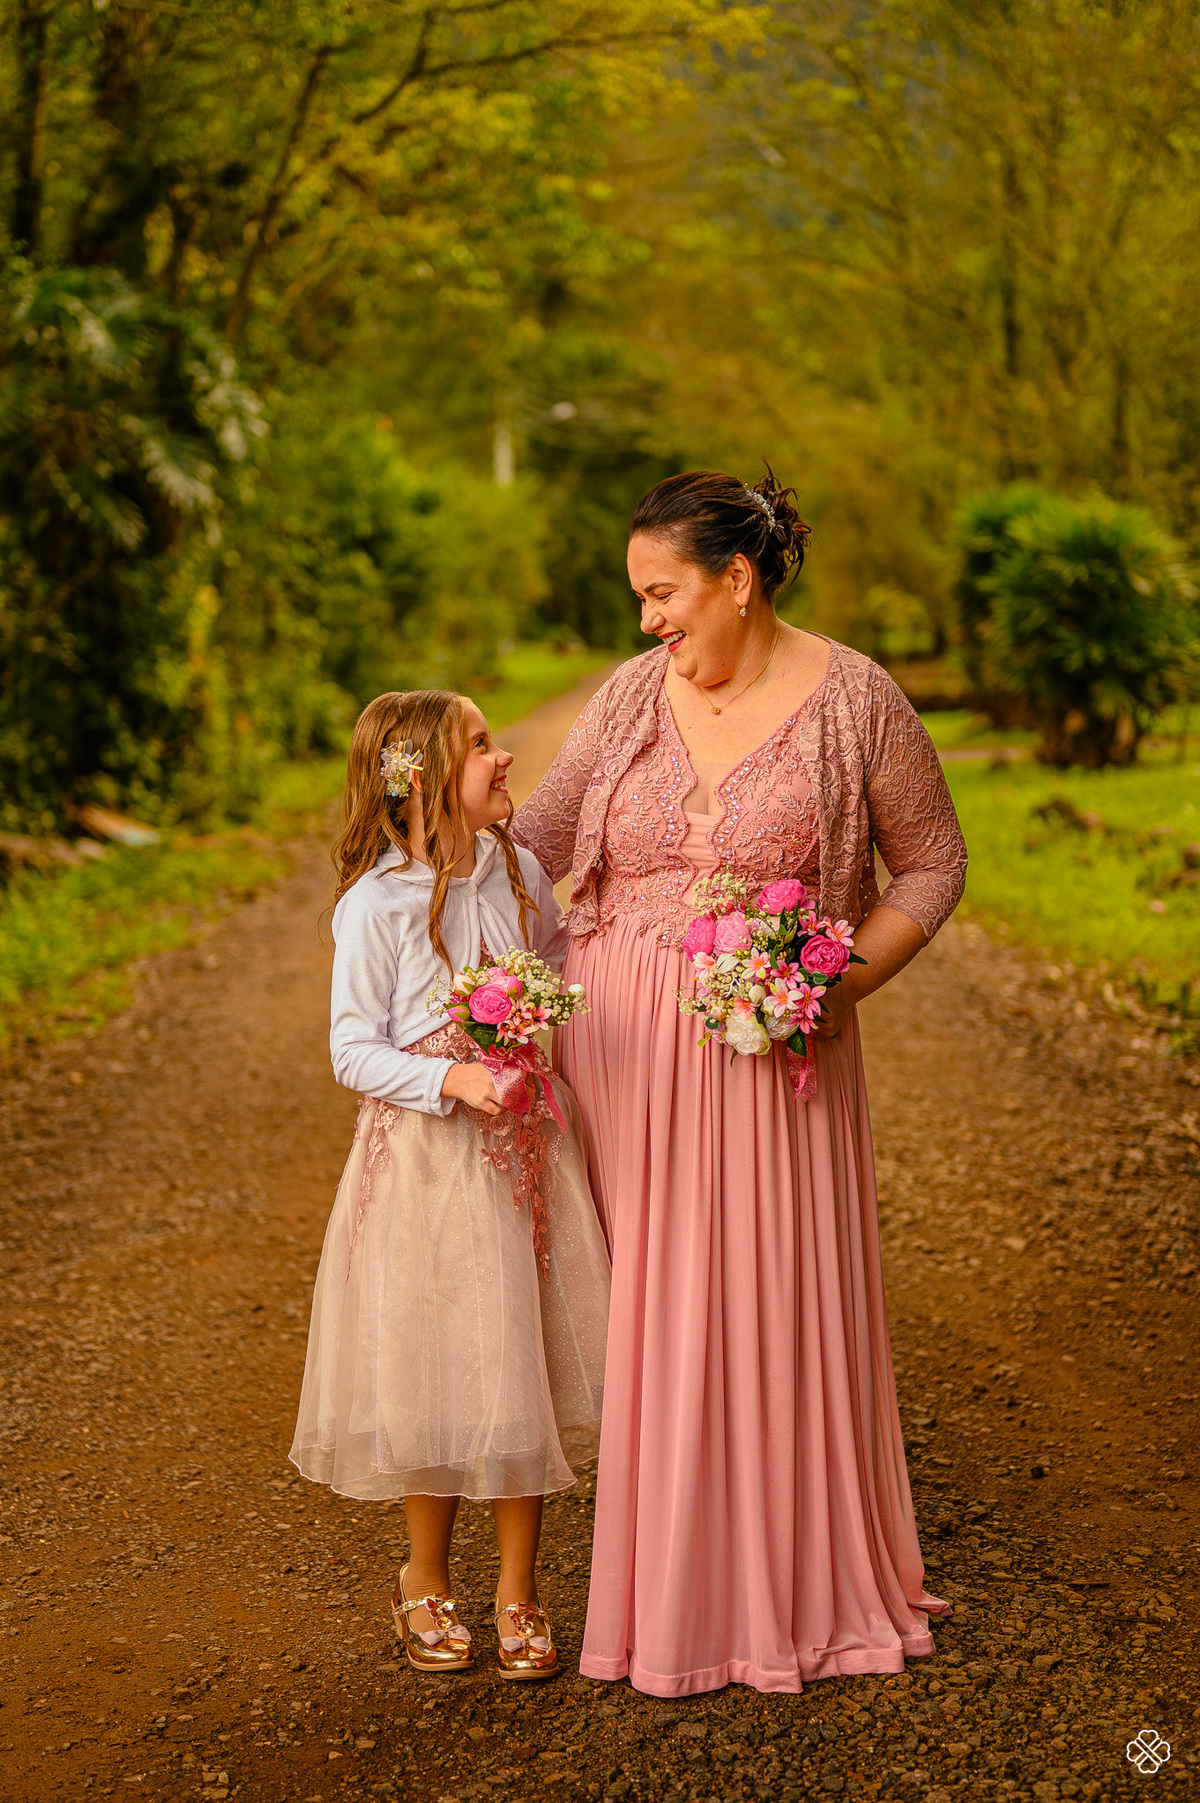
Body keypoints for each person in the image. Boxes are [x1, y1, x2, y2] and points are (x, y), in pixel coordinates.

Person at [513, 468, 968, 1697]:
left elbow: (932, 863)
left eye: (661, 593)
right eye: (640, 598)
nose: (647, 619)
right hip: (619, 1060)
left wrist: (833, 984)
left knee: (757, 1309)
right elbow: (539, 841)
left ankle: (777, 1585)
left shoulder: (856, 699)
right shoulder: (629, 696)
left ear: (737, 580)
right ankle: (658, 1585)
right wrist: (421, 886)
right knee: (649, 1320)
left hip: (774, 1066)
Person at [290, 689, 611, 1681]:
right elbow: (352, 1049)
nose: (503, 757)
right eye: (480, 746)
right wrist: (449, 1079)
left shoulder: (519, 872)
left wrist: (542, 1025)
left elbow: (559, 968)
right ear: (425, 778)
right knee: (434, 1360)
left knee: (519, 1356)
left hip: (521, 1159)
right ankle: (422, 1574)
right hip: (429, 1166)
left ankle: (518, 1586)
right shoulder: (377, 902)